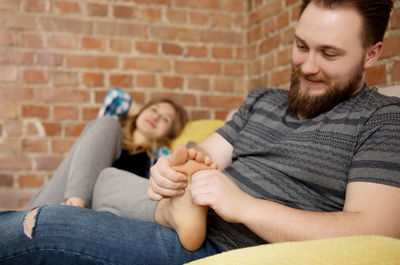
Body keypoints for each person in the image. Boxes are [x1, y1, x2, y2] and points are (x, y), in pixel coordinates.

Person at [0, 0, 399, 264]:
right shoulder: (262, 102)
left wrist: (244, 206)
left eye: (329, 54)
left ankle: (174, 214)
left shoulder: (383, 119)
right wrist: (169, 172)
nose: (308, 66)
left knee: (39, 226)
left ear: (372, 53)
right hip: (187, 221)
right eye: (300, 46)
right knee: (94, 183)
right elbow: (196, 155)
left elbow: (377, 230)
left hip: (220, 243)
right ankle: (171, 212)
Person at [29, 88, 189, 222]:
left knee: (112, 178)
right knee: (108, 124)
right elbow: (116, 97)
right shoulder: (110, 132)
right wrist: (143, 112)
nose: (155, 117)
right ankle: (76, 201)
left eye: (165, 119)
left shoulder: (159, 157)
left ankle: (75, 210)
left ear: (170, 131)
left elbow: (180, 164)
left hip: (105, 212)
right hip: (57, 201)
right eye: (154, 110)